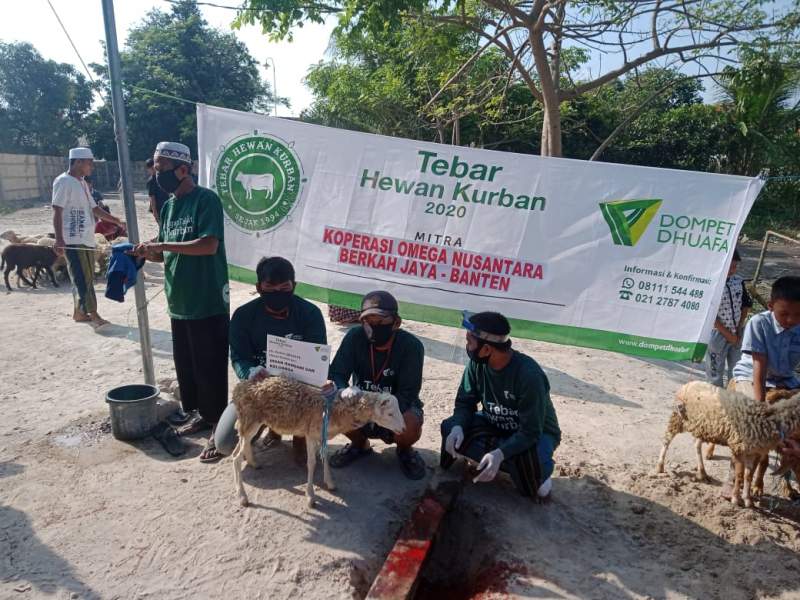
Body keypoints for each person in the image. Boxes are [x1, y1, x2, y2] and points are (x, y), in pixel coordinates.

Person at [131, 142, 230, 462]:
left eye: (161, 170)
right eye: (155, 170)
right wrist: (150, 251)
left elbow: (207, 245)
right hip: (180, 299)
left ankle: (219, 426)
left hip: (206, 297)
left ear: (184, 169)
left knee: (210, 364)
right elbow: (167, 251)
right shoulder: (170, 205)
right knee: (187, 366)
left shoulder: (207, 200)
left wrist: (163, 244)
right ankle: (200, 414)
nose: (157, 176)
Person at [215, 256, 328, 462]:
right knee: (225, 443)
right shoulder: (243, 315)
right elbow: (239, 356)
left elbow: (316, 361)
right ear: (259, 287)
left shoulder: (310, 313)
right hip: (260, 391)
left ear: (294, 286)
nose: (277, 293)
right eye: (270, 287)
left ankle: (300, 438)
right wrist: (249, 371)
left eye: (284, 287)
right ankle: (273, 429)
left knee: (316, 397)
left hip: (299, 390)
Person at [441, 311, 561, 499]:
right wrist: (458, 426)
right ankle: (504, 459)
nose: (467, 347)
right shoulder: (477, 365)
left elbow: (531, 431)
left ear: (487, 349)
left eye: (470, 342)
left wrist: (501, 453)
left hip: (535, 433)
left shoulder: (529, 375)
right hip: (494, 423)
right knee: (449, 428)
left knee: (539, 487)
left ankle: (509, 461)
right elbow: (465, 402)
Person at [328, 291, 427, 480]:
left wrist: (378, 414)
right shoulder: (354, 337)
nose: (374, 327)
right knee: (335, 407)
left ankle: (405, 450)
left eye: (381, 322)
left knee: (410, 422)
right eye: (368, 322)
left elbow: (408, 393)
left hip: (395, 406)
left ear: (396, 322)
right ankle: (359, 445)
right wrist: (344, 390)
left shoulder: (412, 346)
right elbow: (336, 374)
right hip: (362, 403)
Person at [52, 147, 125, 327]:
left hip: (86, 238)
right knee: (82, 278)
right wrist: (59, 239)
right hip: (72, 239)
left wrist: (116, 220)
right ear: (78, 162)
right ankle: (93, 314)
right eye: (89, 163)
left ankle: (79, 312)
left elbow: (95, 209)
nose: (91, 166)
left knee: (86, 276)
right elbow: (57, 210)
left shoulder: (83, 183)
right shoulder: (63, 181)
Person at [732, 275, 800, 402]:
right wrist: (761, 406)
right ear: (771, 306)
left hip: (785, 379)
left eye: (798, 314)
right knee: (752, 413)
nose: (791, 320)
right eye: (784, 314)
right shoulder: (759, 323)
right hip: (751, 376)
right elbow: (759, 366)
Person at [706, 249, 752, 387]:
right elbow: (709, 313)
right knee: (715, 370)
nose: (733, 270)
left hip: (737, 333)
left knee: (737, 368)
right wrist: (727, 334)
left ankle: (735, 395)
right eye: (730, 266)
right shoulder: (712, 283)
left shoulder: (738, 281)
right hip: (717, 334)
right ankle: (716, 397)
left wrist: (738, 329)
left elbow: (745, 305)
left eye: (735, 266)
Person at [146, 158, 170, 225]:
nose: (153, 169)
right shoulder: (151, 181)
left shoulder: (161, 176)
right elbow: (152, 197)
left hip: (166, 204)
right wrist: (154, 211)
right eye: (151, 168)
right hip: (158, 207)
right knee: (162, 224)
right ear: (148, 169)